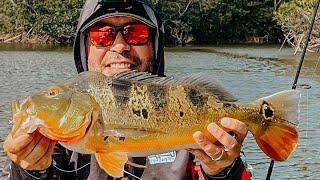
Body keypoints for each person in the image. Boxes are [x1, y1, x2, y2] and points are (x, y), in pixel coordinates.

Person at [3, 0, 250, 179]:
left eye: (137, 32)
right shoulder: (50, 140)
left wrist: (222, 171)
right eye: (102, 35)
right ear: (84, 48)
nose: (120, 46)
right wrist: (28, 171)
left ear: (154, 46)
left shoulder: (198, 118)